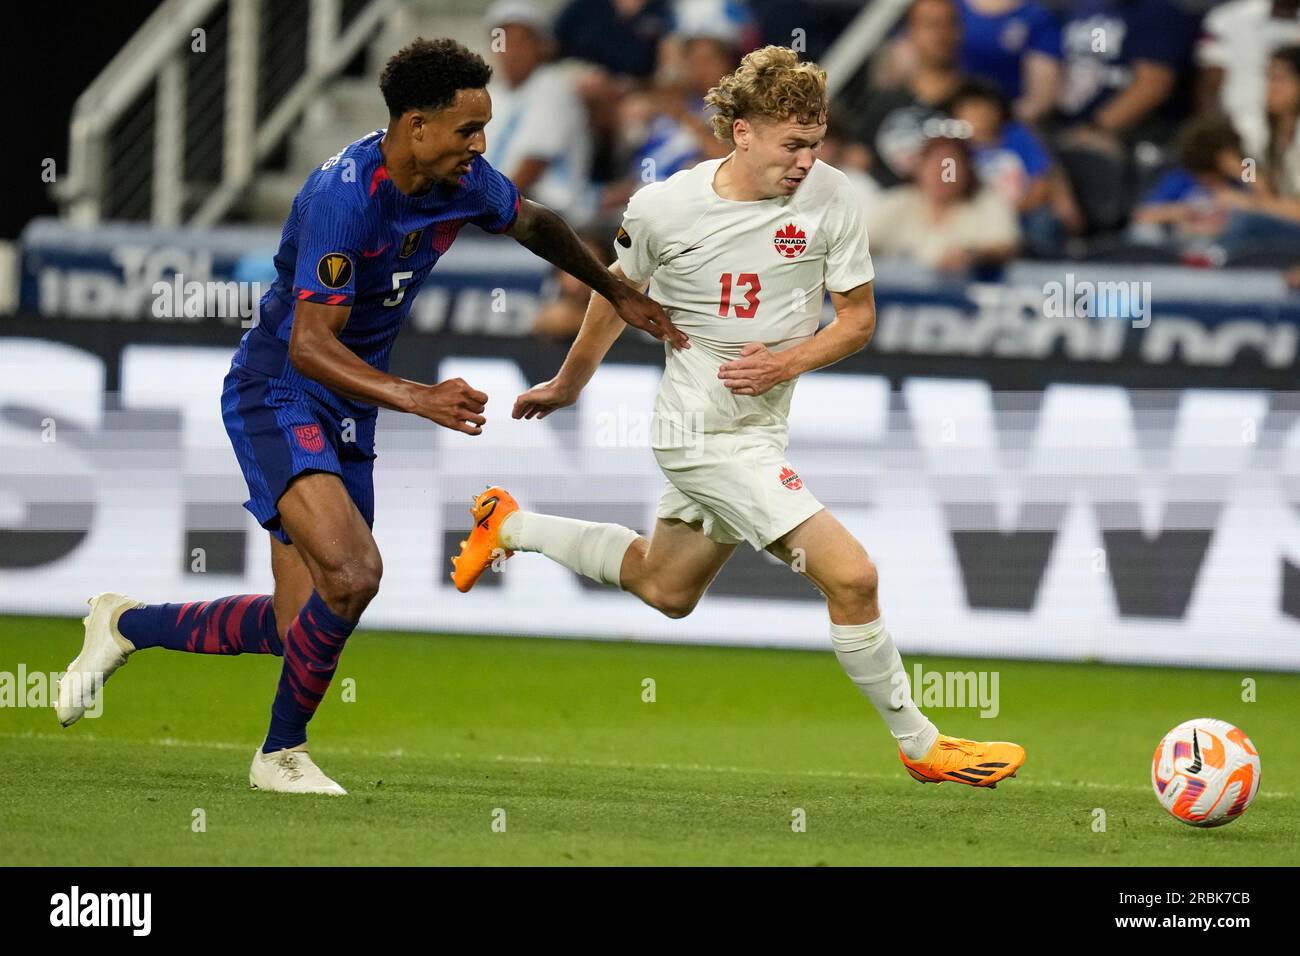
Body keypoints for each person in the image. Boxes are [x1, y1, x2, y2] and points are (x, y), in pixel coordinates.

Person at [54, 38, 685, 795]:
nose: (480, 147)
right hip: (281, 390)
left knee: (303, 626)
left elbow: (539, 223)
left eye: (485, 129)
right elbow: (311, 346)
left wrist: (611, 290)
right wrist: (421, 397)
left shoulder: (462, 180)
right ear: (415, 126)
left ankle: (126, 624)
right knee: (356, 575)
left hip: (351, 402)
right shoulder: (341, 200)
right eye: (466, 131)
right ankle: (279, 756)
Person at [451, 46, 1026, 789]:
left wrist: (783, 363)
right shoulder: (664, 208)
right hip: (699, 432)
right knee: (853, 578)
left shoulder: (832, 196)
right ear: (742, 132)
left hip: (759, 426)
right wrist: (569, 382)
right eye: (792, 145)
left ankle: (509, 526)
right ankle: (920, 744)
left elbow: (857, 322)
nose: (805, 160)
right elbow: (617, 294)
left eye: (815, 144)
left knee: (666, 590)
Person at [484, 2, 597, 226]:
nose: (512, 52)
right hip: (501, 210)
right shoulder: (492, 94)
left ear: (541, 46)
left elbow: (530, 168)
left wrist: (475, 211)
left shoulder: (553, 87)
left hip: (549, 213)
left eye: (521, 41)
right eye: (503, 42)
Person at [866, 134, 1021, 272]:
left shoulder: (987, 202)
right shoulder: (898, 201)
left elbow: (1004, 245)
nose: (941, 175)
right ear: (919, 170)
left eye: (949, 168)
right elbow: (858, 241)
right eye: (934, 166)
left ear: (967, 171)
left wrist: (971, 255)